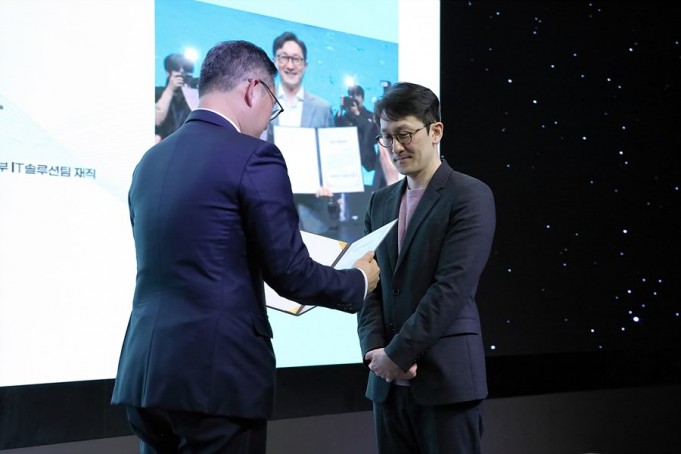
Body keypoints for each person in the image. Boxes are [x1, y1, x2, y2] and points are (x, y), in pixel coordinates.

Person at [111, 40, 380, 454]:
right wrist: (358, 281)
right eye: (273, 106)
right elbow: (291, 273)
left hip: (145, 376)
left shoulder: (150, 161)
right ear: (254, 89)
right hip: (216, 378)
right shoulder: (254, 156)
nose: (269, 122)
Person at [357, 82, 496, 454]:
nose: (396, 147)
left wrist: (398, 355)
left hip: (446, 382)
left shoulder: (469, 195)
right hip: (386, 385)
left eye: (404, 134)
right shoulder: (379, 202)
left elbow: (452, 288)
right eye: (387, 138)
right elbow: (369, 284)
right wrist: (376, 352)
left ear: (436, 131)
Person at [266, 31, 340, 236]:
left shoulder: (323, 108)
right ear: (275, 61)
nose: (290, 65)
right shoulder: (263, 102)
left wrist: (330, 183)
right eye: (284, 57)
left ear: (305, 65)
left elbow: (330, 158)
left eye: (296, 59)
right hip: (270, 211)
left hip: (314, 213)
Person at [154, 53, 196, 141]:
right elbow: (156, 120)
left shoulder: (194, 94)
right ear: (168, 73)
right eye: (177, 69)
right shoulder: (158, 93)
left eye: (187, 70)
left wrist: (189, 90)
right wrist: (170, 89)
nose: (183, 75)